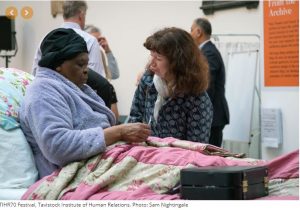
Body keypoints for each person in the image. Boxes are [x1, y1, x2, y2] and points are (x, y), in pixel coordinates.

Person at [19, 28, 151, 178]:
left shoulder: (76, 88)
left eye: (86, 64)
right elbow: (57, 146)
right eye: (80, 64)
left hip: (105, 161)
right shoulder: (42, 92)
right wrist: (118, 132)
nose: (86, 71)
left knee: (174, 157)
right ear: (58, 64)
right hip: (77, 174)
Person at [128, 27, 213, 143]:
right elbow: (134, 118)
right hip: (146, 154)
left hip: (177, 159)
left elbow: (196, 146)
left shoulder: (197, 99)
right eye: (151, 55)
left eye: (158, 58)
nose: (151, 64)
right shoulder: (148, 81)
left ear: (178, 63)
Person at [32, 1, 112, 108]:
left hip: (46, 99)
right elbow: (97, 83)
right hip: (80, 106)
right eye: (80, 64)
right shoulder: (89, 40)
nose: (85, 70)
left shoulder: (46, 39)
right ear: (81, 14)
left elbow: (35, 73)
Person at [190, 18, 230, 147]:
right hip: (210, 115)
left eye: (191, 30)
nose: (189, 33)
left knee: (211, 160)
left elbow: (206, 86)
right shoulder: (205, 51)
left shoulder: (208, 53)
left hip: (212, 116)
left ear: (198, 32)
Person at [84, 25, 120, 121]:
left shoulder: (100, 53)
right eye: (93, 40)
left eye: (98, 40)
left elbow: (114, 74)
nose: (96, 44)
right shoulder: (81, 57)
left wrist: (107, 50)